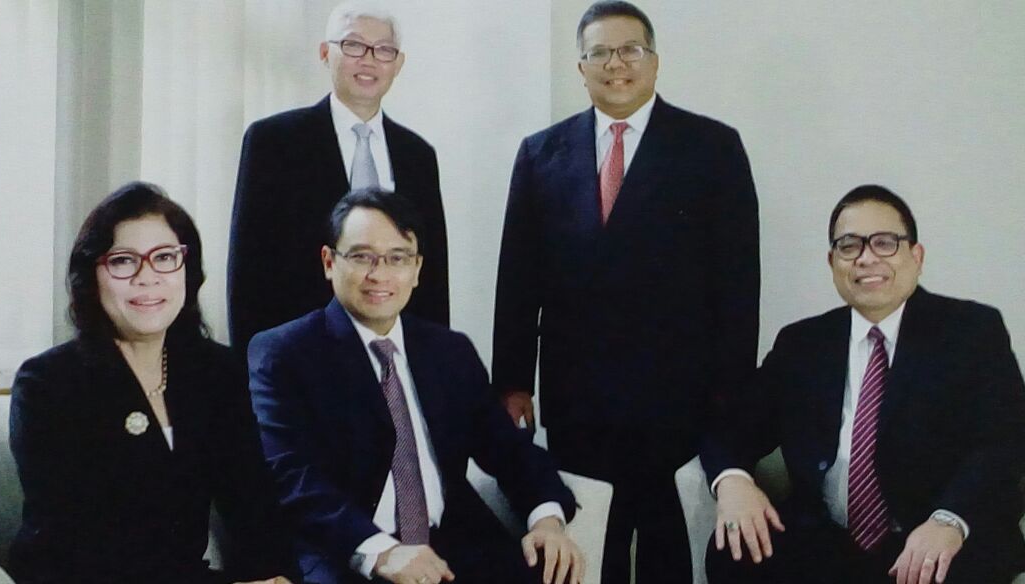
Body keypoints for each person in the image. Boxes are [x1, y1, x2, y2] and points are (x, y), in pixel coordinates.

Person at [491, 1, 760, 582]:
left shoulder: (712, 148)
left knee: (671, 554)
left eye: (630, 50)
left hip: (679, 401)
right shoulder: (541, 153)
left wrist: (732, 400)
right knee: (587, 554)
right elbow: (517, 281)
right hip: (578, 402)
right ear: (581, 67)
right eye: (600, 53)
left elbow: (739, 288)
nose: (616, 64)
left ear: (655, 61)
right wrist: (511, 383)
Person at [248, 188, 584, 584]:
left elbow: (510, 450)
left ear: (417, 268)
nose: (379, 274)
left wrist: (547, 520)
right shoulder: (285, 353)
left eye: (397, 258)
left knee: (553, 573)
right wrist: (382, 552)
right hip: (351, 553)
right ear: (329, 262)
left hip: (454, 548)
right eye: (361, 257)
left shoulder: (449, 351)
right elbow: (292, 476)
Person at [703, 185, 1025, 584]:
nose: (867, 258)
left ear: (916, 256)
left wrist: (949, 520)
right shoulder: (803, 344)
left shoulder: (971, 332)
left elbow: (1004, 441)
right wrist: (733, 482)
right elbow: (732, 423)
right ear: (832, 261)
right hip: (827, 539)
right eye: (849, 245)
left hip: (931, 536)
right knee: (733, 550)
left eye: (885, 243)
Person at [8, 182, 296, 584]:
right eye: (124, 261)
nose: (148, 278)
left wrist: (275, 576)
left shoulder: (216, 371)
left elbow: (253, 504)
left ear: (187, 270)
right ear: (92, 276)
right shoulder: (48, 386)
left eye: (164, 257)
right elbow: (84, 549)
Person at [227, 0, 449, 357]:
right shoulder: (273, 142)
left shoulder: (417, 155)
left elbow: (432, 275)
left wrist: (436, 366)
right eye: (353, 45)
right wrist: (252, 368)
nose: (369, 60)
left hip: (394, 357)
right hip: (300, 357)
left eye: (384, 50)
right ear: (324, 54)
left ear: (398, 64)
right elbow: (247, 271)